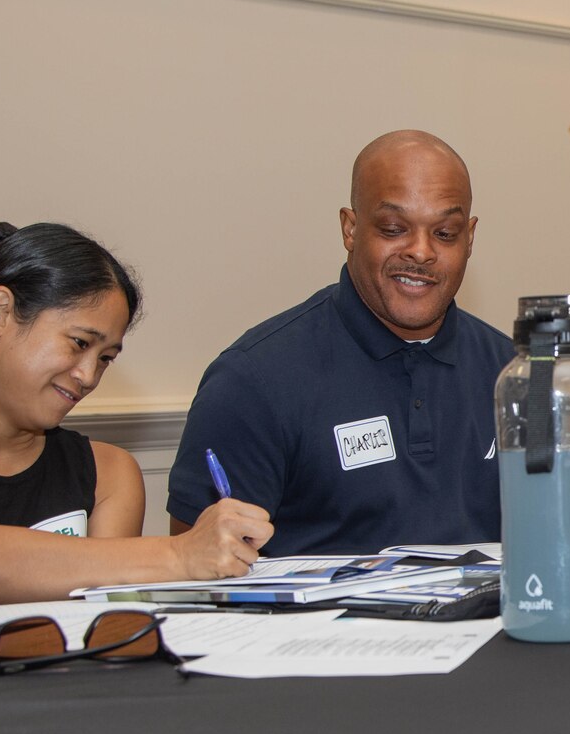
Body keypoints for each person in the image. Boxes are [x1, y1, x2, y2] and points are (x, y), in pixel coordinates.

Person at [0, 223, 271, 714]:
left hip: (38, 733)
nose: (89, 376)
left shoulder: (108, 473)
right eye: (77, 343)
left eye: (105, 357)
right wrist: (178, 556)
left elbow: (104, 638)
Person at [167, 130, 516, 555]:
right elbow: (197, 570)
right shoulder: (253, 378)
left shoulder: (516, 373)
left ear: (470, 238)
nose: (421, 252)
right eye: (393, 228)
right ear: (350, 229)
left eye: (445, 234)